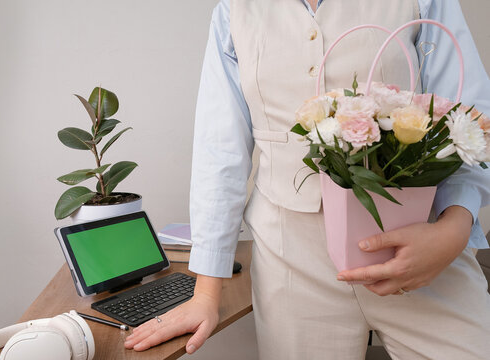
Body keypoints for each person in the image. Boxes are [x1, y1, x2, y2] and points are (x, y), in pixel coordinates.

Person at [125, 0, 490, 358]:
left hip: (421, 243)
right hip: (290, 259)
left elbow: (473, 123)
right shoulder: (234, 11)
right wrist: (206, 291)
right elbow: (220, 151)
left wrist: (454, 230)